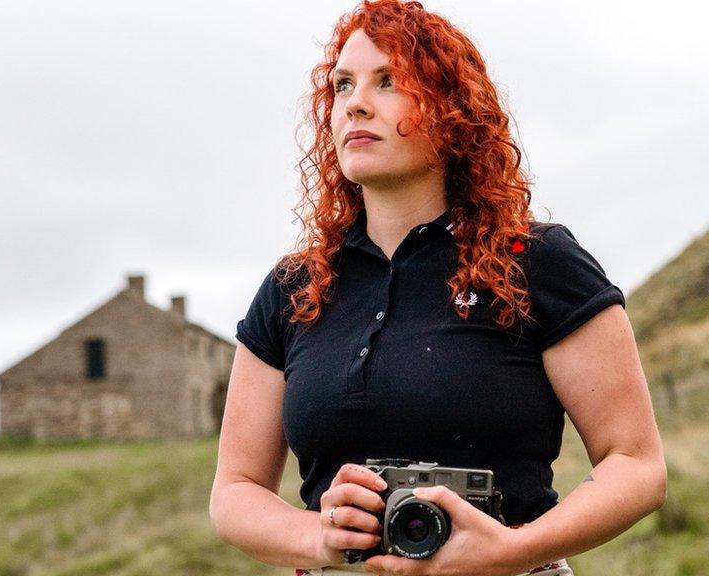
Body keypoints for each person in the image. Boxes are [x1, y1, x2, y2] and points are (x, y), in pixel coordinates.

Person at [209, 1, 666, 574]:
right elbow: (235, 490)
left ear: (452, 110)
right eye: (343, 84)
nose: (355, 102)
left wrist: (512, 551)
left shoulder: (534, 261)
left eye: (390, 81)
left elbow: (637, 466)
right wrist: (319, 536)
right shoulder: (294, 287)